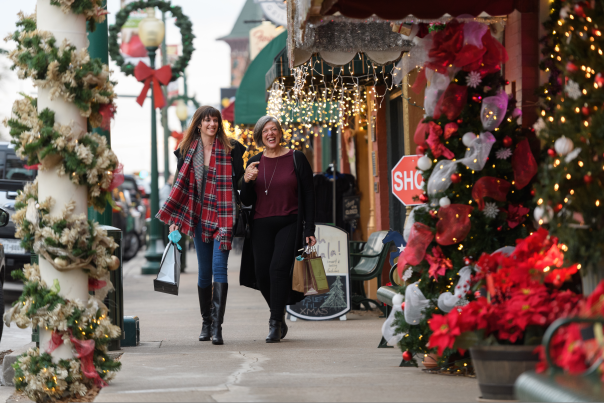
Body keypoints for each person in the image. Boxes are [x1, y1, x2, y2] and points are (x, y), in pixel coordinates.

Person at [157, 106, 245, 345]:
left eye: (215, 120)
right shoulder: (186, 151)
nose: (212, 124)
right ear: (198, 124)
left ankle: (217, 327)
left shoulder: (232, 149)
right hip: (198, 217)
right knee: (204, 273)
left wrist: (246, 179)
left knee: (220, 269)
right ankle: (206, 321)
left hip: (224, 216)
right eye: (207, 121)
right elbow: (180, 189)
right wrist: (175, 221)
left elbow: (240, 182)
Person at [239, 116, 316, 343]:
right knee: (262, 274)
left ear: (280, 133)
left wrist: (309, 228)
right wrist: (247, 180)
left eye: (274, 129)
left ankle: (274, 323)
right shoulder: (254, 162)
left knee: (278, 269)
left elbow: (309, 194)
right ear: (260, 137)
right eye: (265, 131)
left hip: (289, 222)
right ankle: (279, 313)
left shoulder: (296, 158)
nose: (270, 134)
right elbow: (246, 199)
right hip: (261, 224)